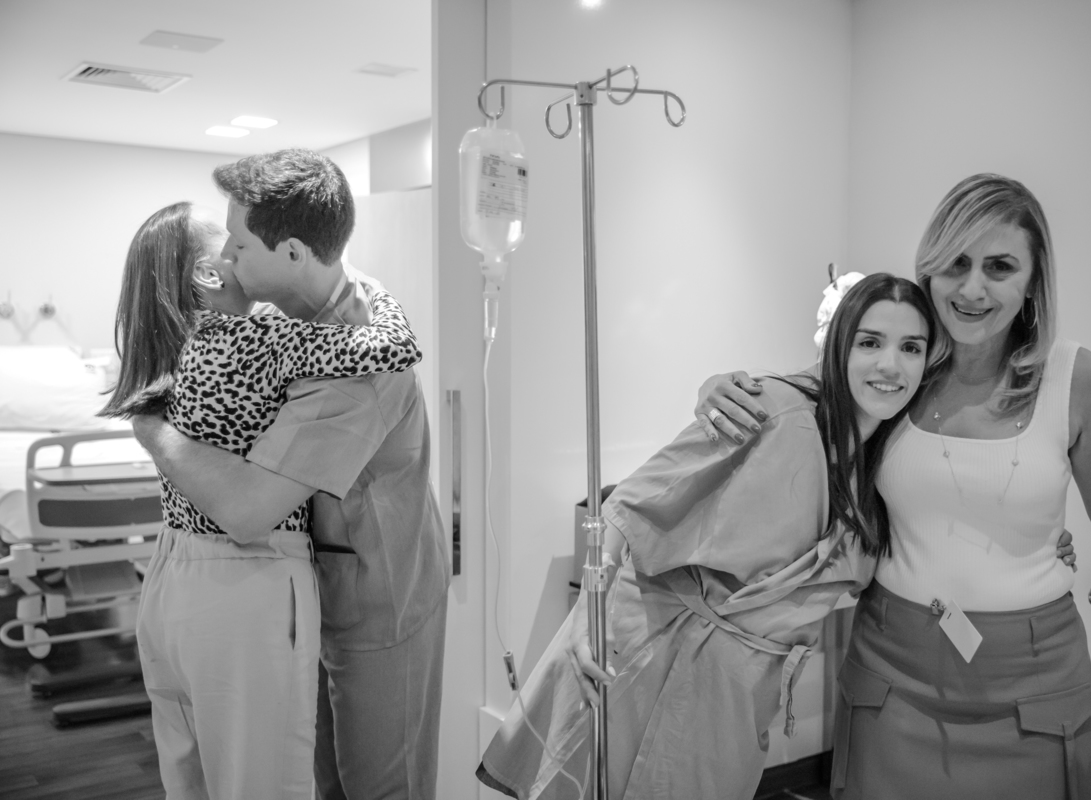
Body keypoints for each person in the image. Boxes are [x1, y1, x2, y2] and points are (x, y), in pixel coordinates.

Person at [696, 174, 1091, 800]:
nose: (972, 288)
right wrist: (716, 386)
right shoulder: (897, 365)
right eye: (956, 263)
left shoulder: (1074, 376)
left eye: (999, 266)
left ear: (1033, 281)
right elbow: (790, 396)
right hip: (893, 672)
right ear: (930, 269)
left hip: (1036, 681)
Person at [480, 273, 937, 800]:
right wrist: (589, 613)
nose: (890, 365)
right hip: (643, 654)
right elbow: (631, 500)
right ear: (839, 345)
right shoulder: (773, 409)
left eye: (911, 347)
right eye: (870, 342)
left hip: (735, 695)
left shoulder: (887, 467)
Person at [130, 150, 451, 800]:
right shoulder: (281, 315)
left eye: (240, 243)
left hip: (378, 599)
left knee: (376, 787)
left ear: (295, 253)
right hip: (309, 590)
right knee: (320, 781)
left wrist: (151, 429)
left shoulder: (357, 363)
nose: (228, 255)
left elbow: (247, 509)